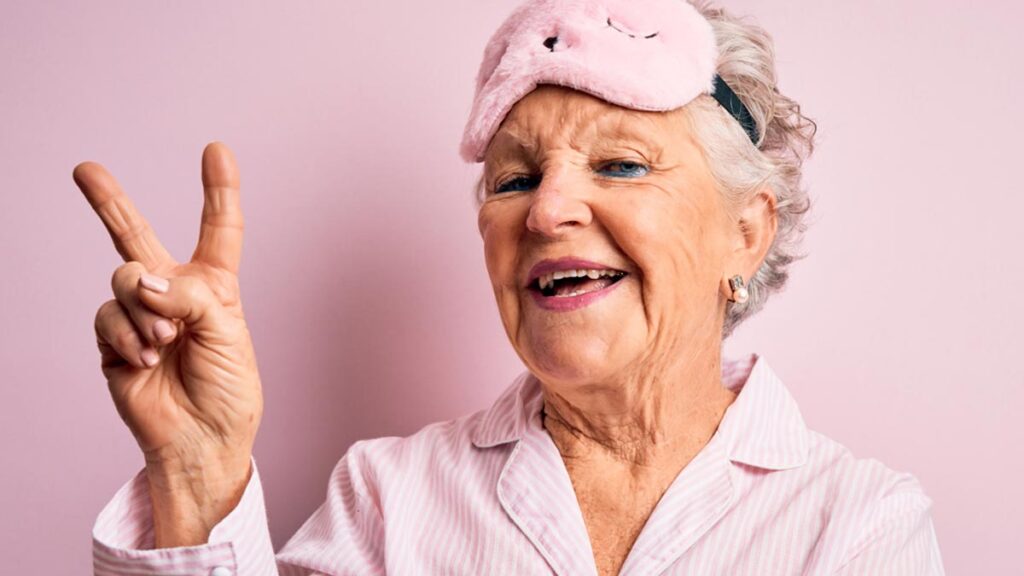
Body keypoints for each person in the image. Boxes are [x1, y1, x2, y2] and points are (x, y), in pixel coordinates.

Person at [83, 0, 945, 574]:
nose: (547, 211)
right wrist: (196, 473)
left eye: (619, 163)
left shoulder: (859, 522)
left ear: (746, 232)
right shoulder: (389, 497)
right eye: (513, 180)